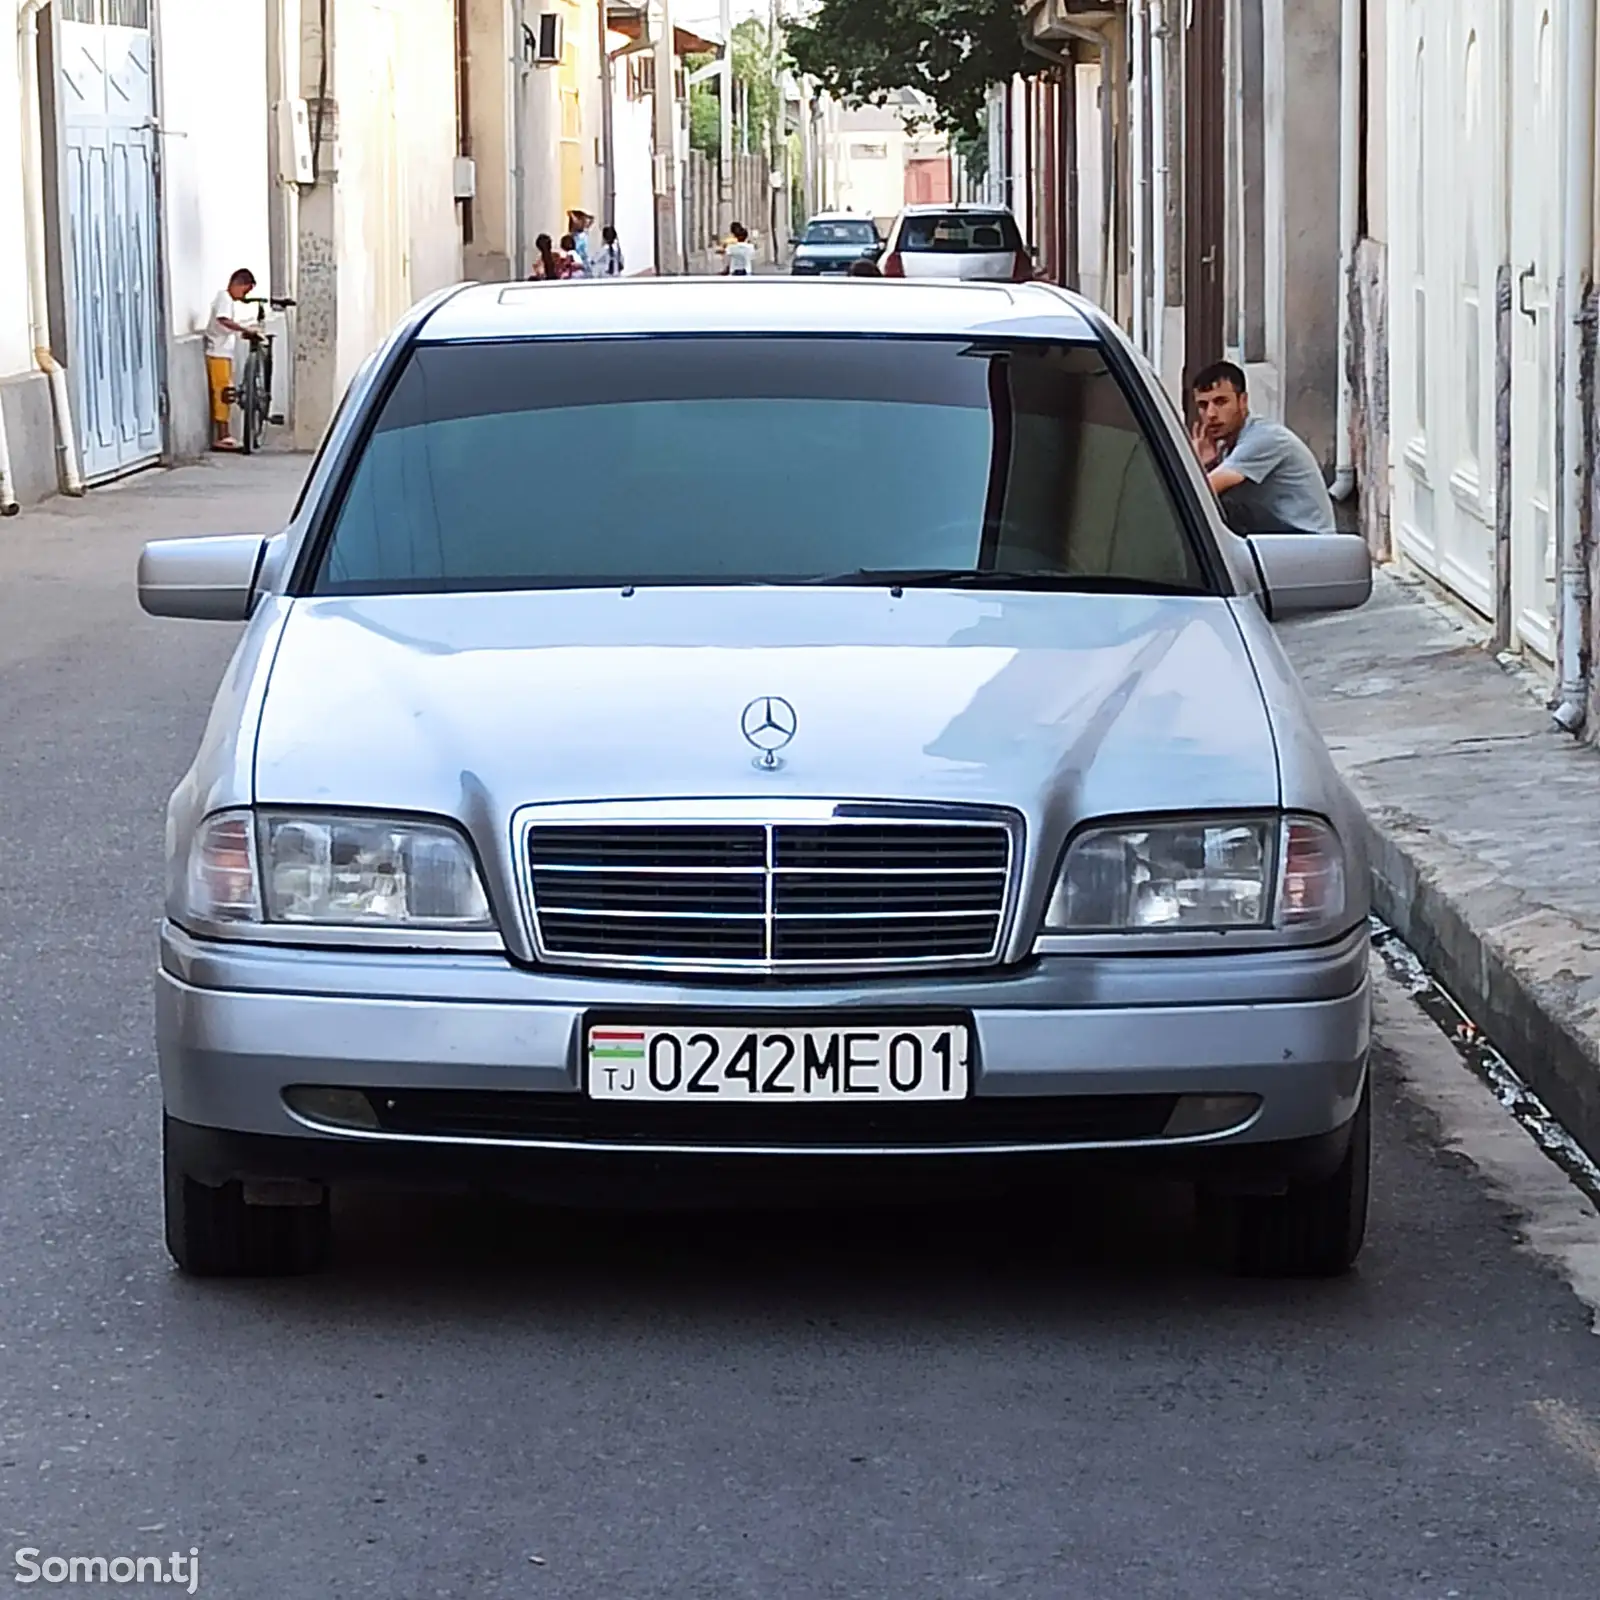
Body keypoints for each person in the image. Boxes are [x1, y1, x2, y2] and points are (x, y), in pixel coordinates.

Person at [1190, 360, 1337, 535]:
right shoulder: (1229, 447)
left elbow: (1203, 491)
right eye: (1203, 405)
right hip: (1285, 537)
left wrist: (1194, 464)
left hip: (1308, 538)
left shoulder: (1263, 438)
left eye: (1220, 402)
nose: (1211, 414)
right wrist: (1208, 464)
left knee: (1222, 505)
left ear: (1243, 401)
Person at [204, 268, 260, 452]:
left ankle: (225, 433)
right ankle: (222, 435)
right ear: (238, 284)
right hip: (218, 353)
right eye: (245, 291)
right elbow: (223, 320)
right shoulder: (224, 299)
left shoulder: (227, 300)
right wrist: (243, 329)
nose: (244, 296)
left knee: (226, 392)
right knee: (222, 393)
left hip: (224, 352)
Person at [567, 210, 595, 277]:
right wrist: (572, 215)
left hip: (584, 262)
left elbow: (592, 219)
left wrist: (585, 216)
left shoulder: (584, 233)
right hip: (576, 262)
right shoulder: (572, 235)